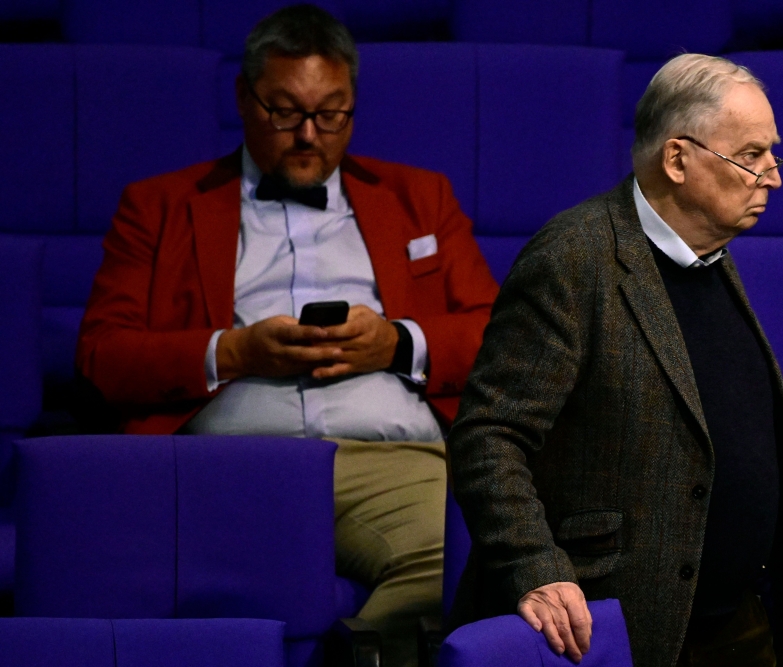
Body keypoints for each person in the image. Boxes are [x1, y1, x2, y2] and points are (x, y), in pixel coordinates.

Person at [76, 5, 499, 666]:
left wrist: (395, 342)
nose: (309, 136)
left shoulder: (421, 197)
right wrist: (233, 351)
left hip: (390, 460)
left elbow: (495, 339)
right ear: (244, 99)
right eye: (285, 112)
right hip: (228, 463)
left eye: (332, 114)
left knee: (473, 553)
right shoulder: (157, 205)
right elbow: (102, 355)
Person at [447, 54, 783, 667]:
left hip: (738, 616)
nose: (772, 176)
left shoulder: (711, 253)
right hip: (614, 625)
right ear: (677, 160)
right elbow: (489, 435)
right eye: (751, 156)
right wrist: (533, 565)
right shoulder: (573, 259)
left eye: (772, 153)